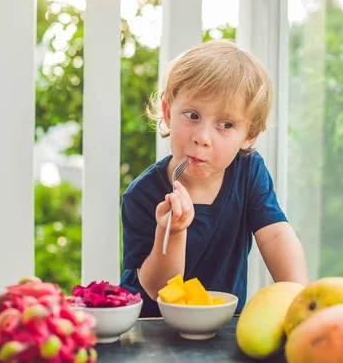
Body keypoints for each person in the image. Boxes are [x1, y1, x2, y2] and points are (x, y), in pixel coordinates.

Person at [119, 39, 309, 317]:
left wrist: (303, 302)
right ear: (168, 113)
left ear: (250, 135)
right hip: (152, 330)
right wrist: (171, 232)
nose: (202, 138)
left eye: (226, 124)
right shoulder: (143, 194)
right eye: (192, 115)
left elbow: (276, 235)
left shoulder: (248, 171)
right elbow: (157, 288)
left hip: (223, 327)